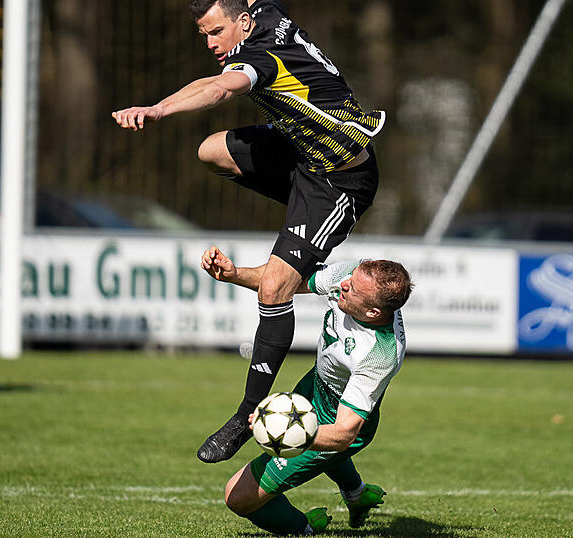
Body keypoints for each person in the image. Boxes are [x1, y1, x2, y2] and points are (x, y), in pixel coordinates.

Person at [112, 0, 384, 464]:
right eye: (203, 34)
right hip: (302, 154)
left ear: (243, 22)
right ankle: (298, 224)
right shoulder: (265, 13)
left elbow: (220, 89)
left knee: (276, 289)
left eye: (216, 31)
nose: (210, 42)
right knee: (211, 151)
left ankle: (244, 417)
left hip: (338, 181)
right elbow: (218, 71)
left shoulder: (258, 59)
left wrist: (158, 111)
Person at [199, 245, 410, 535]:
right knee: (325, 460)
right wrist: (235, 274)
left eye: (352, 288)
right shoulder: (352, 274)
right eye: (350, 278)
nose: (343, 284)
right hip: (316, 384)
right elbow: (283, 282)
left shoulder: (379, 355)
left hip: (336, 421)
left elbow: (344, 433)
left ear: (372, 312)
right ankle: (357, 494)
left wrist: (286, 432)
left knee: (237, 496)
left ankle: (304, 528)